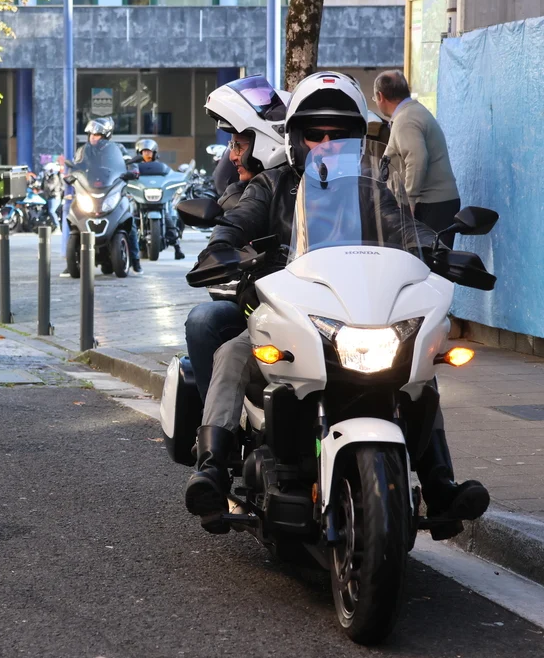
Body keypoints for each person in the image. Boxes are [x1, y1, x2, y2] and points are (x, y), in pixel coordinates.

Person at [184, 71, 490, 541]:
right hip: (289, 317)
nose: (326, 144)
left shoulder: (372, 191)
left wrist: (437, 250)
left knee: (421, 364)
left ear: (355, 140)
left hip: (360, 314)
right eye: (315, 133)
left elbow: (404, 227)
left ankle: (440, 486)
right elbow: (239, 220)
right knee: (231, 352)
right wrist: (221, 245)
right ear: (296, 138)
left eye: (339, 134)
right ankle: (212, 469)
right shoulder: (272, 185)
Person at [184, 76, 289, 401]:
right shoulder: (245, 193)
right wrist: (219, 247)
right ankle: (211, 413)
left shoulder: (324, 186)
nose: (232, 156)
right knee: (203, 319)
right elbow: (237, 219)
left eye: (238, 146)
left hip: (314, 306)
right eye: (232, 146)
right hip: (256, 304)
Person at [374, 70, 461, 247]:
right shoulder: (412, 112)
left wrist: (409, 202)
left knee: (428, 259)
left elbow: (417, 159)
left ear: (380, 96)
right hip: (436, 203)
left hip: (431, 204)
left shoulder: (405, 119)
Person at [65, 117, 144, 274]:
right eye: (91, 135)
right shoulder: (84, 151)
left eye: (97, 135)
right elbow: (76, 165)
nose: (93, 137)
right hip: (90, 191)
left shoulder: (118, 149)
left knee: (128, 219)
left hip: (112, 190)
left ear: (106, 136)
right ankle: (72, 261)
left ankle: (135, 260)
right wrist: (70, 174)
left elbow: (129, 162)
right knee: (73, 215)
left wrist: (133, 170)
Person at [129, 138, 185, 260]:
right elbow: (127, 176)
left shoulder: (162, 167)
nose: (147, 154)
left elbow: (171, 175)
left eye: (149, 152)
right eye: (144, 152)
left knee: (169, 218)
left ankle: (177, 247)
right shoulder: (134, 167)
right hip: (140, 199)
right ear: (139, 153)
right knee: (131, 217)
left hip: (158, 199)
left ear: (154, 153)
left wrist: (179, 178)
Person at [38, 161, 65, 228]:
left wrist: (46, 179)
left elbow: (50, 187)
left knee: (51, 211)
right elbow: (42, 187)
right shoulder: (47, 178)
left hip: (54, 197)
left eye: (46, 171)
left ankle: (57, 226)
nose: (45, 172)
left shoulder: (55, 177)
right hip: (48, 197)